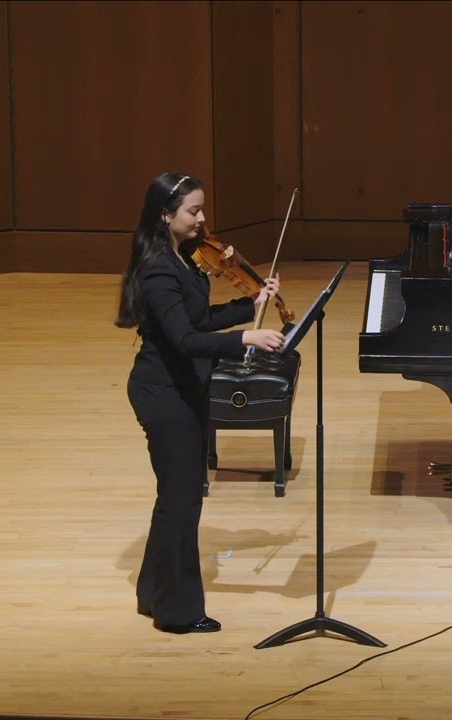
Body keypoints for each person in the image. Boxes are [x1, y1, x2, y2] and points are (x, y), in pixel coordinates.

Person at [115, 171, 286, 633]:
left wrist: (250, 303)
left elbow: (199, 317)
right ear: (166, 215)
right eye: (193, 210)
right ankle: (178, 612)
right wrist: (245, 338)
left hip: (183, 388)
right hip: (162, 393)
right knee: (183, 499)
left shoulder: (184, 259)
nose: (202, 218)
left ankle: (153, 593)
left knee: (176, 497)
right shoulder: (157, 270)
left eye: (202, 208)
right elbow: (186, 339)